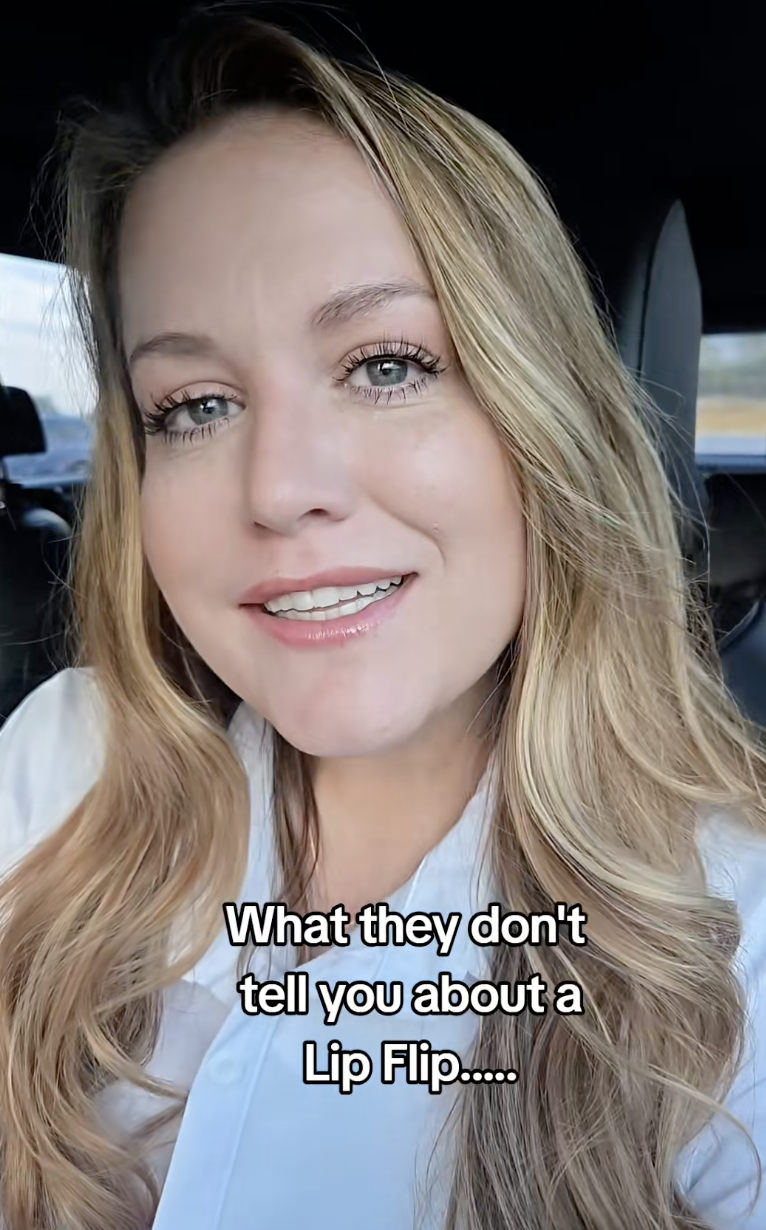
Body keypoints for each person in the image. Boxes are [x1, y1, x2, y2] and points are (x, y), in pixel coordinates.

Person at [1, 6, 766, 1229]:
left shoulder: (732, 932)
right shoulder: (60, 766)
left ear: (539, 417)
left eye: (386, 365)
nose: (279, 488)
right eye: (193, 405)